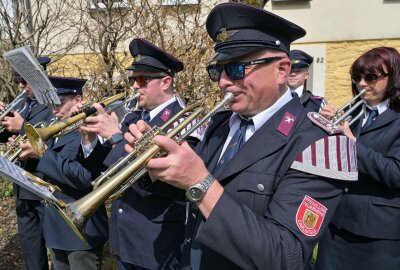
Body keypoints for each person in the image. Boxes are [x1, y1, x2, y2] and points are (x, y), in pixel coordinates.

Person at [124, 3, 358, 269]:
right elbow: (184, 193)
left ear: (282, 70)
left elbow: (286, 255)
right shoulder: (221, 124)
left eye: (235, 69)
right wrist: (155, 161)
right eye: (218, 70)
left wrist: (200, 182)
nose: (223, 82)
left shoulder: (320, 142)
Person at [80, 38, 200, 269]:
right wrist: (89, 139)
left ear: (166, 82)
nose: (134, 86)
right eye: (133, 79)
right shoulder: (134, 117)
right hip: (124, 237)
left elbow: (169, 186)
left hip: (157, 242)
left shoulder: (185, 122)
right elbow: (106, 168)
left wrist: (116, 137)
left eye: (142, 79)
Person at [314, 47, 400, 270]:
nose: (362, 83)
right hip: (336, 224)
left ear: (393, 78)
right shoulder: (351, 114)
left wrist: (351, 142)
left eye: (371, 77)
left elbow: (395, 174)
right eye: (357, 77)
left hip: (378, 235)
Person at [20, 76, 109, 270]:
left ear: (78, 100)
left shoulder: (91, 128)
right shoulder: (55, 128)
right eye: (51, 104)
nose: (55, 110)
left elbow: (86, 178)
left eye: (59, 103)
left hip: (82, 229)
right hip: (55, 225)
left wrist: (43, 155)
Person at [5, 57, 55, 270]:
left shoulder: (55, 104)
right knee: (31, 248)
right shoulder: (23, 104)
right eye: (18, 81)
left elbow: (54, 142)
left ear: (39, 79)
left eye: (24, 82)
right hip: (23, 187)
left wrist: (22, 126)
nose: (20, 86)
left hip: (44, 185)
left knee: (55, 246)